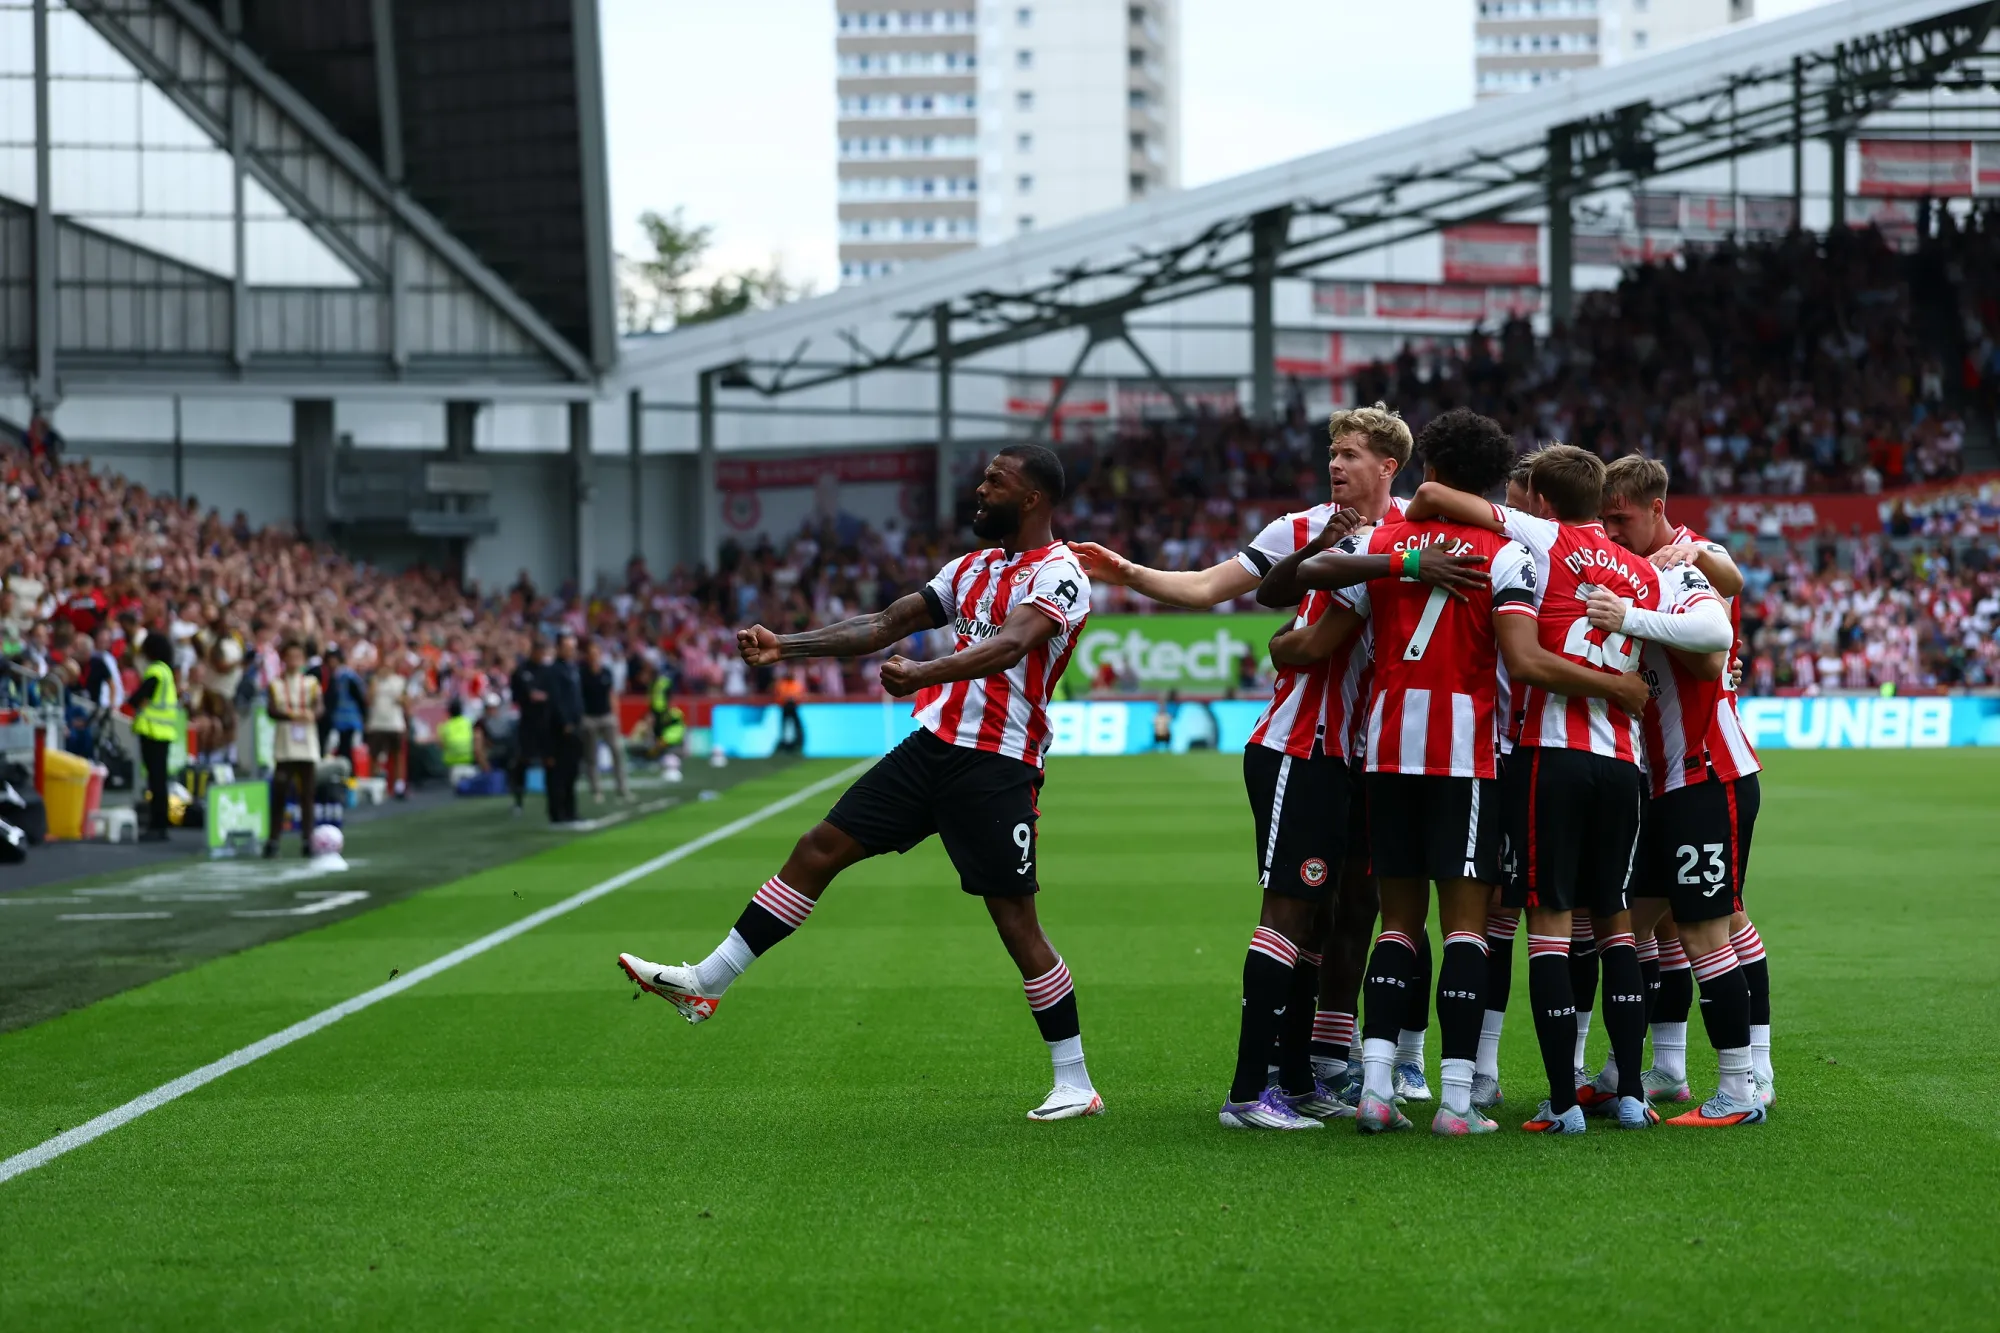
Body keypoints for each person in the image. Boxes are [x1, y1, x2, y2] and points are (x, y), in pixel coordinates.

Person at [617, 445, 1105, 1122]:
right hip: (931, 748)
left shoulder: (1062, 574)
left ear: (1032, 499)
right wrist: (785, 645)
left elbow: (1013, 644)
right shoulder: (969, 569)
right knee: (818, 847)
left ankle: (1075, 1081)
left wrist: (925, 674)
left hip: (997, 764)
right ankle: (707, 982)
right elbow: (882, 624)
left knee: (1015, 921)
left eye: (996, 480)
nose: (980, 487)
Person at [1075, 405, 1476, 1126]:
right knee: (1292, 911)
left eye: (1350, 454)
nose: (1335, 464)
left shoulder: (1419, 524)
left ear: (1390, 466)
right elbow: (1212, 589)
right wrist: (1127, 571)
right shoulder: (1299, 530)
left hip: (1369, 760)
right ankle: (1247, 1090)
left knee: (1350, 913)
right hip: (1301, 746)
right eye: (1332, 452)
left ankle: (1308, 1072)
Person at [1263, 410, 1651, 1136]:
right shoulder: (1508, 555)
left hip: (1383, 750)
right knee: (1469, 930)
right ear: (1497, 478)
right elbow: (1523, 656)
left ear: (1427, 469)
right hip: (1470, 753)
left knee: (1398, 924)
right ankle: (1456, 1100)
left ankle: (1375, 1089)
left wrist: (1286, 645)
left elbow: (1310, 619)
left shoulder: (1383, 543)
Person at [1406, 443, 1735, 1133]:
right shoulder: (1647, 573)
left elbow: (1437, 500)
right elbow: (1715, 622)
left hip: (1548, 755)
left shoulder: (1544, 536)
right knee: (1615, 924)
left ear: (1546, 502)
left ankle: (1562, 1100)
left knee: (1549, 929)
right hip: (1623, 763)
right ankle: (1631, 1093)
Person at [1590, 453, 1770, 1126]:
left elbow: (1717, 629)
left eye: (1621, 518)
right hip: (1664, 784)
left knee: (1706, 932)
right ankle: (1638, 1066)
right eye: (1603, 518)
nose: (1611, 530)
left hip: (1706, 774)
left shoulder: (1683, 562)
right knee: (1631, 925)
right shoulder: (1635, 567)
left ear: (1656, 509)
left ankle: (1741, 1086)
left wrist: (1629, 616)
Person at [264, 638, 323, 858]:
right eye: (290, 657)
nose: (294, 661)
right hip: (285, 744)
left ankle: (308, 839)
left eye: (298, 657)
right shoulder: (276, 684)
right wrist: (291, 714)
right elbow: (271, 711)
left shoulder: (311, 683)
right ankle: (273, 840)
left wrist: (312, 714)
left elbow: (319, 708)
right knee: (279, 793)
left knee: (307, 795)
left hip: (307, 743)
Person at [129, 631, 179, 842]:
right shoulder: (166, 671)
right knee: (159, 781)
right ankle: (161, 825)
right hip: (164, 732)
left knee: (155, 781)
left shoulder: (156, 671)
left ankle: (157, 826)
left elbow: (138, 697)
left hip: (152, 731)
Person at [580, 638, 629, 801]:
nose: (594, 656)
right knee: (591, 756)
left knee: (617, 751)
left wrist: (616, 715)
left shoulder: (606, 672)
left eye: (596, 653)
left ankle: (622, 788)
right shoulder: (582, 673)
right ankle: (596, 790)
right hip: (589, 717)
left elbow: (612, 695)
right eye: (591, 653)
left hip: (606, 716)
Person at [545, 633, 585, 824]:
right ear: (559, 648)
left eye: (573, 648)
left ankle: (570, 810)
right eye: (568, 647)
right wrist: (565, 722)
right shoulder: (554, 670)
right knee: (558, 772)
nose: (571, 651)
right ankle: (557, 813)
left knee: (572, 771)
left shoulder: (572, 669)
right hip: (560, 729)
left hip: (576, 726)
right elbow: (557, 699)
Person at [508, 638, 550, 818]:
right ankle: (518, 800)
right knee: (522, 760)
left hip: (546, 721)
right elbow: (516, 695)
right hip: (528, 722)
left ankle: (553, 798)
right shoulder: (521, 671)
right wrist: (530, 697)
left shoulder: (548, 671)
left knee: (550, 760)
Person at [365, 644, 411, 798]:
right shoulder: (374, 681)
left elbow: (407, 701)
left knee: (397, 754)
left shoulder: (400, 681)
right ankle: (373, 785)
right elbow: (369, 699)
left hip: (395, 723)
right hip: (377, 723)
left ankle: (398, 785)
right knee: (374, 755)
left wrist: (402, 699)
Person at [438, 697, 480, 772]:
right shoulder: (469, 723)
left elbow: (441, 745)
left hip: (451, 765)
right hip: (469, 762)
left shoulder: (444, 726)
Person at [773, 668, 806, 753]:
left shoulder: (796, 684)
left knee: (796, 725)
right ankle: (784, 743)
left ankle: (798, 742)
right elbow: (779, 696)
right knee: (784, 726)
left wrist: (792, 699)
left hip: (793, 706)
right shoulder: (782, 684)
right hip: (785, 707)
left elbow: (799, 696)